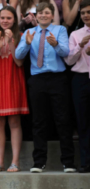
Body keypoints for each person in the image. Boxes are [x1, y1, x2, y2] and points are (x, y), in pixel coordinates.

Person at [16, 2, 76, 173]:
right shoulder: (29, 32)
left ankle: (68, 162)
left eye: (46, 13)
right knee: (39, 121)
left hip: (58, 79)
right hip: (37, 80)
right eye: (40, 13)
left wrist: (56, 44)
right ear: (36, 15)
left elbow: (66, 53)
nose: (43, 15)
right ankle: (39, 162)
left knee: (63, 119)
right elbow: (18, 55)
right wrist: (27, 44)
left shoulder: (60, 30)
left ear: (51, 15)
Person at [0, 6, 28, 172]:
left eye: (8, 18)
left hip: (13, 80)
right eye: (2, 18)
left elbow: (19, 62)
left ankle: (15, 161)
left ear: (14, 20)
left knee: (14, 121)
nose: (5, 21)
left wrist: (10, 43)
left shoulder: (21, 36)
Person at [64, 0, 90, 173]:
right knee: (83, 123)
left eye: (89, 12)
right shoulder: (76, 34)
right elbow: (68, 60)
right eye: (83, 13)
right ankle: (86, 162)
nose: (86, 15)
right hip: (80, 80)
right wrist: (80, 46)